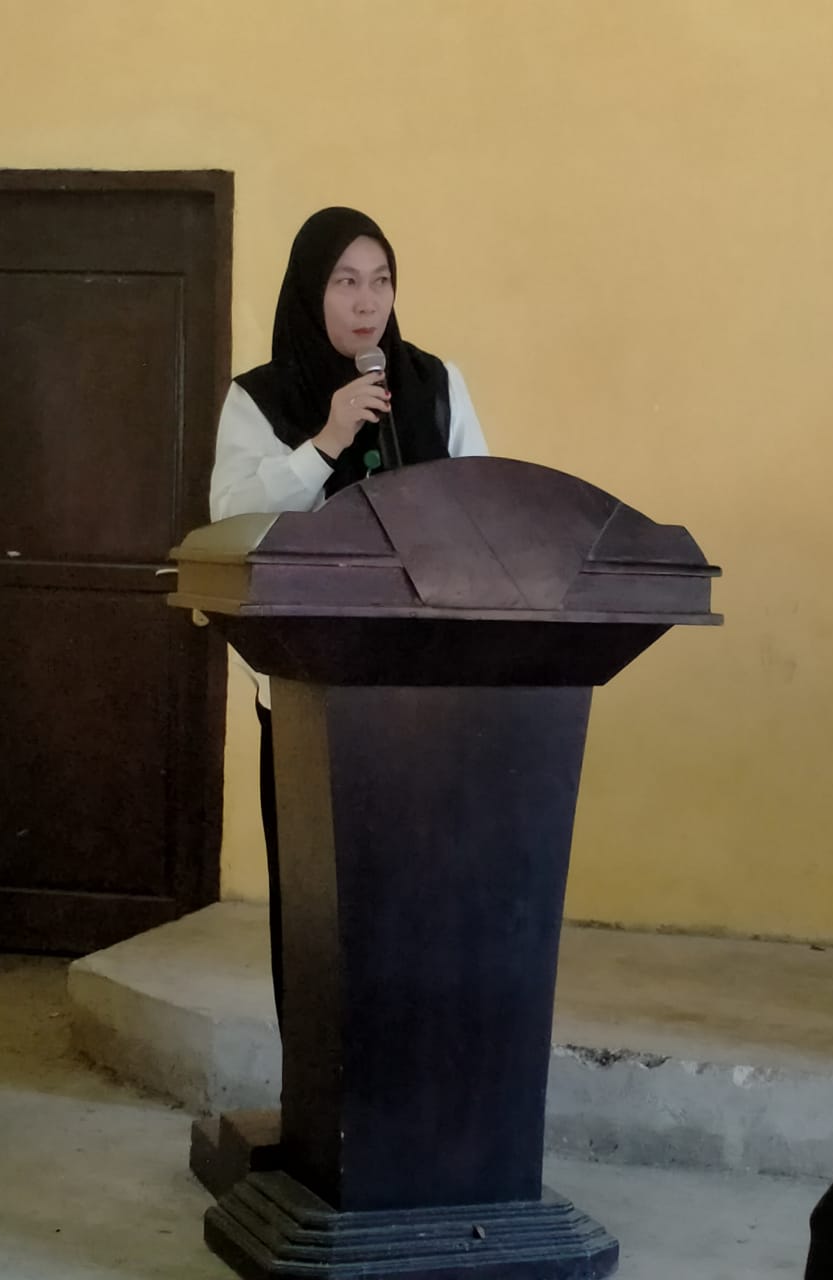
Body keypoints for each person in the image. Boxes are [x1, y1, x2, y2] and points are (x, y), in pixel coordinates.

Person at [209, 206, 489, 1028]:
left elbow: (483, 506)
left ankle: (415, 1069)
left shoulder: (436, 384)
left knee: (421, 894)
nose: (367, 302)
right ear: (310, 290)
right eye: (344, 282)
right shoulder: (260, 399)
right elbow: (233, 522)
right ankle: (317, 1075)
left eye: (381, 280)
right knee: (320, 897)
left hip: (426, 691)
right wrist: (325, 442)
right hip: (308, 687)